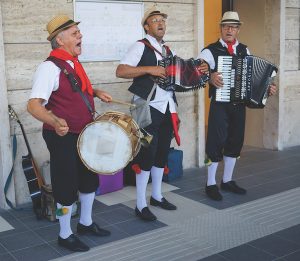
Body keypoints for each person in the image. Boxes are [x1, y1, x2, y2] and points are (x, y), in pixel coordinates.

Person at [27, 14, 112, 252]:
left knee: (88, 180)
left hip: (84, 132)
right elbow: (33, 105)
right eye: (75, 33)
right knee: (66, 185)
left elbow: (75, 89)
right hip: (63, 135)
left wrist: (95, 92)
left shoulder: (72, 63)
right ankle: (65, 234)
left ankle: (85, 223)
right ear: (60, 39)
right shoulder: (49, 67)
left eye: (79, 32)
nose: (80, 36)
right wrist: (54, 121)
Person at [116, 6, 208, 221]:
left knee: (161, 153)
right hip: (148, 107)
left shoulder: (167, 50)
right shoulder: (140, 47)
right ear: (146, 26)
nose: (160, 23)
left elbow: (183, 70)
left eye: (162, 20)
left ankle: (156, 196)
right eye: (155, 20)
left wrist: (201, 70)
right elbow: (121, 71)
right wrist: (149, 69)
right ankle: (140, 204)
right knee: (146, 154)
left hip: (168, 107)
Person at [198, 11, 277, 201]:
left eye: (233, 26)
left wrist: (267, 89)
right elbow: (196, 71)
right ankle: (210, 184)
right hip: (219, 104)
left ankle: (227, 180)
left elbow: (252, 78)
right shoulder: (209, 51)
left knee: (235, 141)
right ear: (221, 28)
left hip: (239, 104)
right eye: (226, 26)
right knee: (216, 142)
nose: (229, 29)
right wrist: (210, 77)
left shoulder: (245, 50)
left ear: (238, 30)